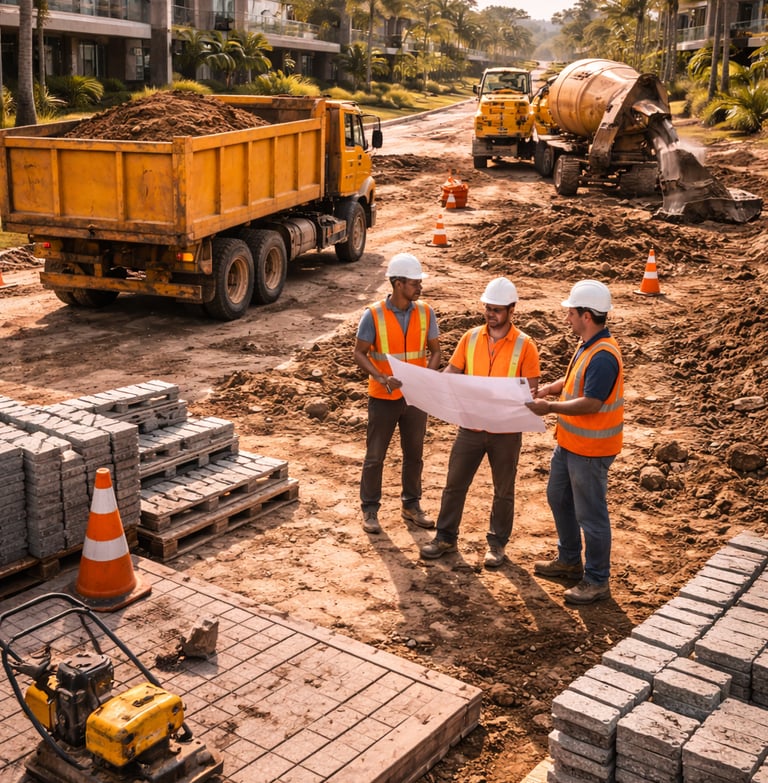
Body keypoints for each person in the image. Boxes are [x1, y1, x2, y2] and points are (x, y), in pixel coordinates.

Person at [420, 277, 540, 568]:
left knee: (503, 490)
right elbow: (453, 371)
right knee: (454, 484)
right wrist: (429, 382)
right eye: (488, 308)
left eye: (497, 309)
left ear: (512, 310)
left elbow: (531, 391)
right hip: (470, 428)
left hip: (505, 432)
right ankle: (445, 537)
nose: (490, 314)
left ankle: (497, 545)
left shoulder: (526, 345)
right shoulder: (470, 338)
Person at [526, 280, 624, 605]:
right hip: (570, 444)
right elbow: (573, 382)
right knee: (558, 496)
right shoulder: (589, 344)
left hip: (591, 450)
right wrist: (550, 390)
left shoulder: (604, 356)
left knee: (591, 516)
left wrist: (550, 407)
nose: (567, 318)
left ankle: (597, 580)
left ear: (586, 315)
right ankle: (569, 560)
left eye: (571, 312)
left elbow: (592, 403)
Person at [354, 253, 442, 534]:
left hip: (415, 399)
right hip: (383, 397)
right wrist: (380, 377)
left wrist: (427, 376)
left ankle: (411, 505)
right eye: (415, 282)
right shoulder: (374, 315)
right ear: (398, 283)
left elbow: (436, 350)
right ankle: (370, 509)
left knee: (414, 454)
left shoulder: (426, 312)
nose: (420, 287)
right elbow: (359, 352)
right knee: (375, 456)